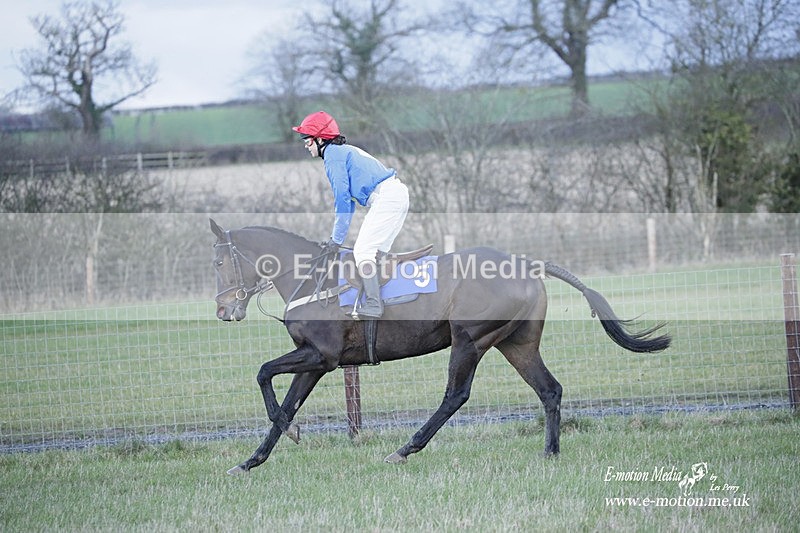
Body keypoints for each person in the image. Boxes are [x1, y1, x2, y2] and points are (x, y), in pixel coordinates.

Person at [293, 111, 409, 318]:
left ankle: (374, 305)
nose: (305, 145)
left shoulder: (332, 155)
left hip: (387, 198)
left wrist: (336, 240)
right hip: (396, 194)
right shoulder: (341, 150)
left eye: (307, 140)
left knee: (363, 251)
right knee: (375, 254)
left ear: (321, 139)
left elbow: (343, 201)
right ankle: (385, 302)